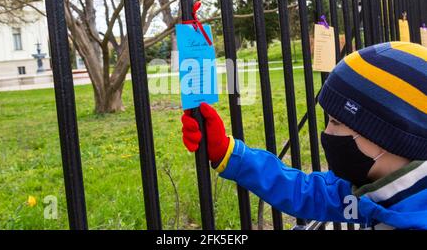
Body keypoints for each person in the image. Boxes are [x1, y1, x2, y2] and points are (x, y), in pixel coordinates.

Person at [181, 41, 427, 230]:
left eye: (336, 122)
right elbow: (307, 193)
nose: (327, 133)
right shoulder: (365, 191)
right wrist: (227, 152)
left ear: (390, 134)